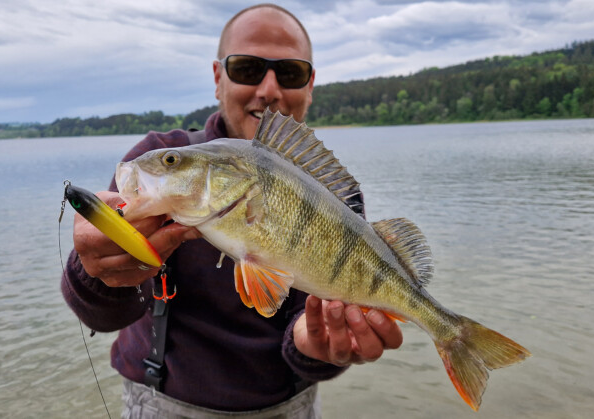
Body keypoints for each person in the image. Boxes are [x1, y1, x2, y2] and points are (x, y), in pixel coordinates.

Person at [62, 4, 402, 417]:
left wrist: (318, 346)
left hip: (289, 405)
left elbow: (311, 324)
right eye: (247, 68)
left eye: (290, 73)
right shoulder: (157, 156)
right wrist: (98, 270)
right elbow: (101, 314)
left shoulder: (336, 197)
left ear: (310, 85)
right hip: (162, 403)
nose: (269, 90)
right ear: (218, 78)